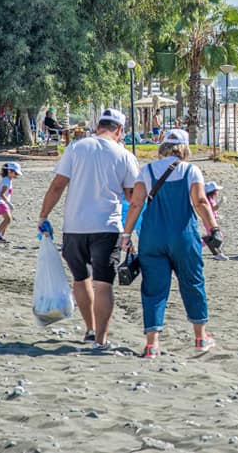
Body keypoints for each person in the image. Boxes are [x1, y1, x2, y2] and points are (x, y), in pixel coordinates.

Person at [37, 108, 139, 350]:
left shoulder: (76, 147)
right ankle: (101, 340)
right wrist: (130, 230)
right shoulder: (123, 155)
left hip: (74, 225)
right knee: (103, 282)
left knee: (81, 279)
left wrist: (43, 216)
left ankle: (90, 330)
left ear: (98, 126)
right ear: (120, 130)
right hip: (107, 226)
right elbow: (131, 196)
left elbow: (57, 186)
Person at [122, 129, 220, 358]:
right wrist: (213, 228)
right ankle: (200, 337)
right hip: (183, 236)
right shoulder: (191, 170)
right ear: (185, 147)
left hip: (152, 236)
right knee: (192, 283)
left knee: (154, 289)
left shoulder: (146, 171)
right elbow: (200, 202)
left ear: (162, 146)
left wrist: (126, 235)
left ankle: (152, 344)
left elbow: (136, 204)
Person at [0, 162, 23, 243]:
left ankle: (0, 236)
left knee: (7, 220)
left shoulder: (8, 180)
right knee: (8, 219)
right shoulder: (6, 181)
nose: (16, 175)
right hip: (0, 202)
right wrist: (9, 204)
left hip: (3, 202)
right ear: (9, 171)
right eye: (15, 173)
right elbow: (2, 194)